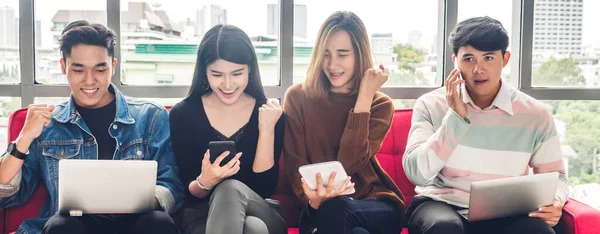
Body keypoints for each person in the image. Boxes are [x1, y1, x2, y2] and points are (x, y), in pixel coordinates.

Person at [0, 20, 183, 234]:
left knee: (157, 223)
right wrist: (23, 139)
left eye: (99, 69)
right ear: (63, 67)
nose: (89, 81)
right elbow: (8, 195)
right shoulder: (48, 124)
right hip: (71, 226)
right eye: (78, 70)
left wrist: (132, 201)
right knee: (61, 226)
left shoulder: (150, 117)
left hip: (135, 224)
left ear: (113, 67)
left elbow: (171, 185)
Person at [403, 16, 567, 234]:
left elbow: (557, 176)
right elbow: (417, 173)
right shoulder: (431, 104)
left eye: (488, 57)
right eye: (468, 59)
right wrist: (455, 118)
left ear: (505, 59)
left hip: (506, 211)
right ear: (456, 61)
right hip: (440, 205)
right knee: (444, 227)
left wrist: (555, 200)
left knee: (538, 231)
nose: (478, 69)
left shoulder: (536, 114)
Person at [283, 11, 405, 234]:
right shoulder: (297, 98)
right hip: (321, 208)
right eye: (326, 54)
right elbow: (295, 164)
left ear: (359, 55)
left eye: (342, 54)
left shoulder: (379, 105)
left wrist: (364, 97)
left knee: (337, 208)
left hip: (376, 205)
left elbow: (349, 162)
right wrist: (312, 200)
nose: (332, 64)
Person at [169, 24, 287, 234]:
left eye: (237, 73)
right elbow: (188, 192)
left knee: (230, 190)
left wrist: (266, 129)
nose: (228, 84)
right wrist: (204, 182)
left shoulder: (269, 113)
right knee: (253, 229)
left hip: (262, 211)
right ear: (205, 71)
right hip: (202, 217)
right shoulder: (183, 114)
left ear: (250, 69)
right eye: (217, 74)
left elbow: (263, 188)